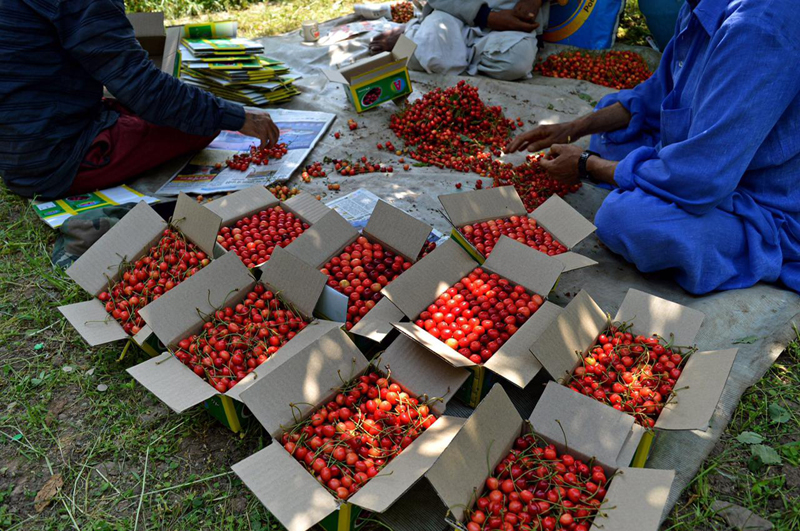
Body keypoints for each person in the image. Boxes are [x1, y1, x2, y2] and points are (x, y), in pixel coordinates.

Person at [508, 0, 800, 295]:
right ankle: (647, 178)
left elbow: (701, 179)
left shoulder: (756, 28)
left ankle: (760, 248)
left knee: (625, 219)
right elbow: (656, 95)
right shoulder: (698, 9)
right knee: (612, 122)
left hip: (762, 202)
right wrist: (572, 129)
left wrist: (588, 164)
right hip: (710, 162)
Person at [0, 0, 279, 200]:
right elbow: (144, 88)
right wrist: (237, 117)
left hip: (16, 140)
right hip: (49, 161)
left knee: (178, 107)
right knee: (200, 125)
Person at [370, 0, 549, 81]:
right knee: (419, 59)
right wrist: (486, 17)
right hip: (456, 12)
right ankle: (412, 31)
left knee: (516, 64)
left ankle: (452, 52)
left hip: (511, 22)